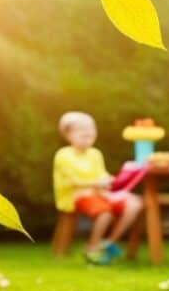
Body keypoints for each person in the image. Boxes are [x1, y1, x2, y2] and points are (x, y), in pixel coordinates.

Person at [53, 111, 143, 265]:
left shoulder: (95, 154)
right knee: (105, 212)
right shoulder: (64, 155)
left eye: (91, 136)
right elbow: (73, 181)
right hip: (75, 196)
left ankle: (109, 243)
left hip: (100, 193)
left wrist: (110, 180)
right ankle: (92, 248)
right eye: (83, 136)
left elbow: (102, 175)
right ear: (68, 135)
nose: (87, 140)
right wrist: (96, 184)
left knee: (135, 203)